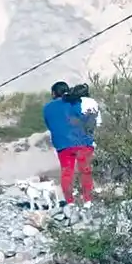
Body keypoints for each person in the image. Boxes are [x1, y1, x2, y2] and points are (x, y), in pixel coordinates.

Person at [43, 81, 95, 215]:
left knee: (67, 173)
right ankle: (88, 201)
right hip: (82, 141)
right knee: (86, 171)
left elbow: (50, 125)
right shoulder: (74, 102)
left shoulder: (47, 108)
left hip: (62, 144)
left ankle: (70, 203)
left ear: (54, 93)